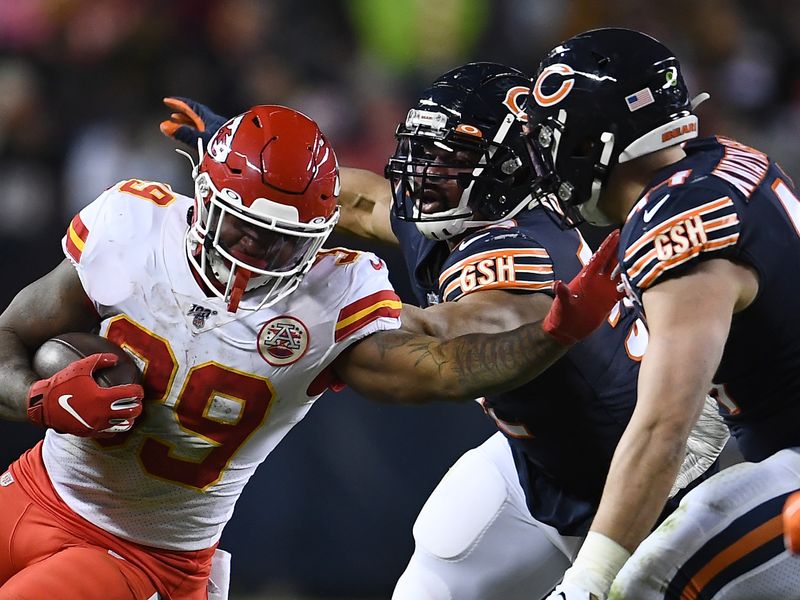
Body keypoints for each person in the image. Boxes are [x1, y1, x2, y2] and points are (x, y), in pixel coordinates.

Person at [0, 104, 622, 600]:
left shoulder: (331, 300)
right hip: (34, 489)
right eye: (245, 229)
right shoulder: (134, 225)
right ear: (204, 197)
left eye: (281, 243)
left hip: (145, 557)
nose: (256, 256)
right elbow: (8, 337)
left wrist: (552, 335)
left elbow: (442, 369)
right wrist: (36, 397)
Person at [160, 64, 729, 599]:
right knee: (439, 558)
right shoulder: (461, 209)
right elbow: (358, 199)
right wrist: (256, 174)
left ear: (510, 165)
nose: (421, 173)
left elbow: (448, 341)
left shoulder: (518, 249)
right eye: (421, 152)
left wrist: (310, 301)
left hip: (650, 487)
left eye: (447, 157)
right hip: (541, 463)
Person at [520, 28, 800, 600]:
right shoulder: (722, 161)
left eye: (552, 139)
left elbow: (664, 425)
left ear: (591, 143)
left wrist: (588, 582)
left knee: (640, 584)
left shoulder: (678, 217)